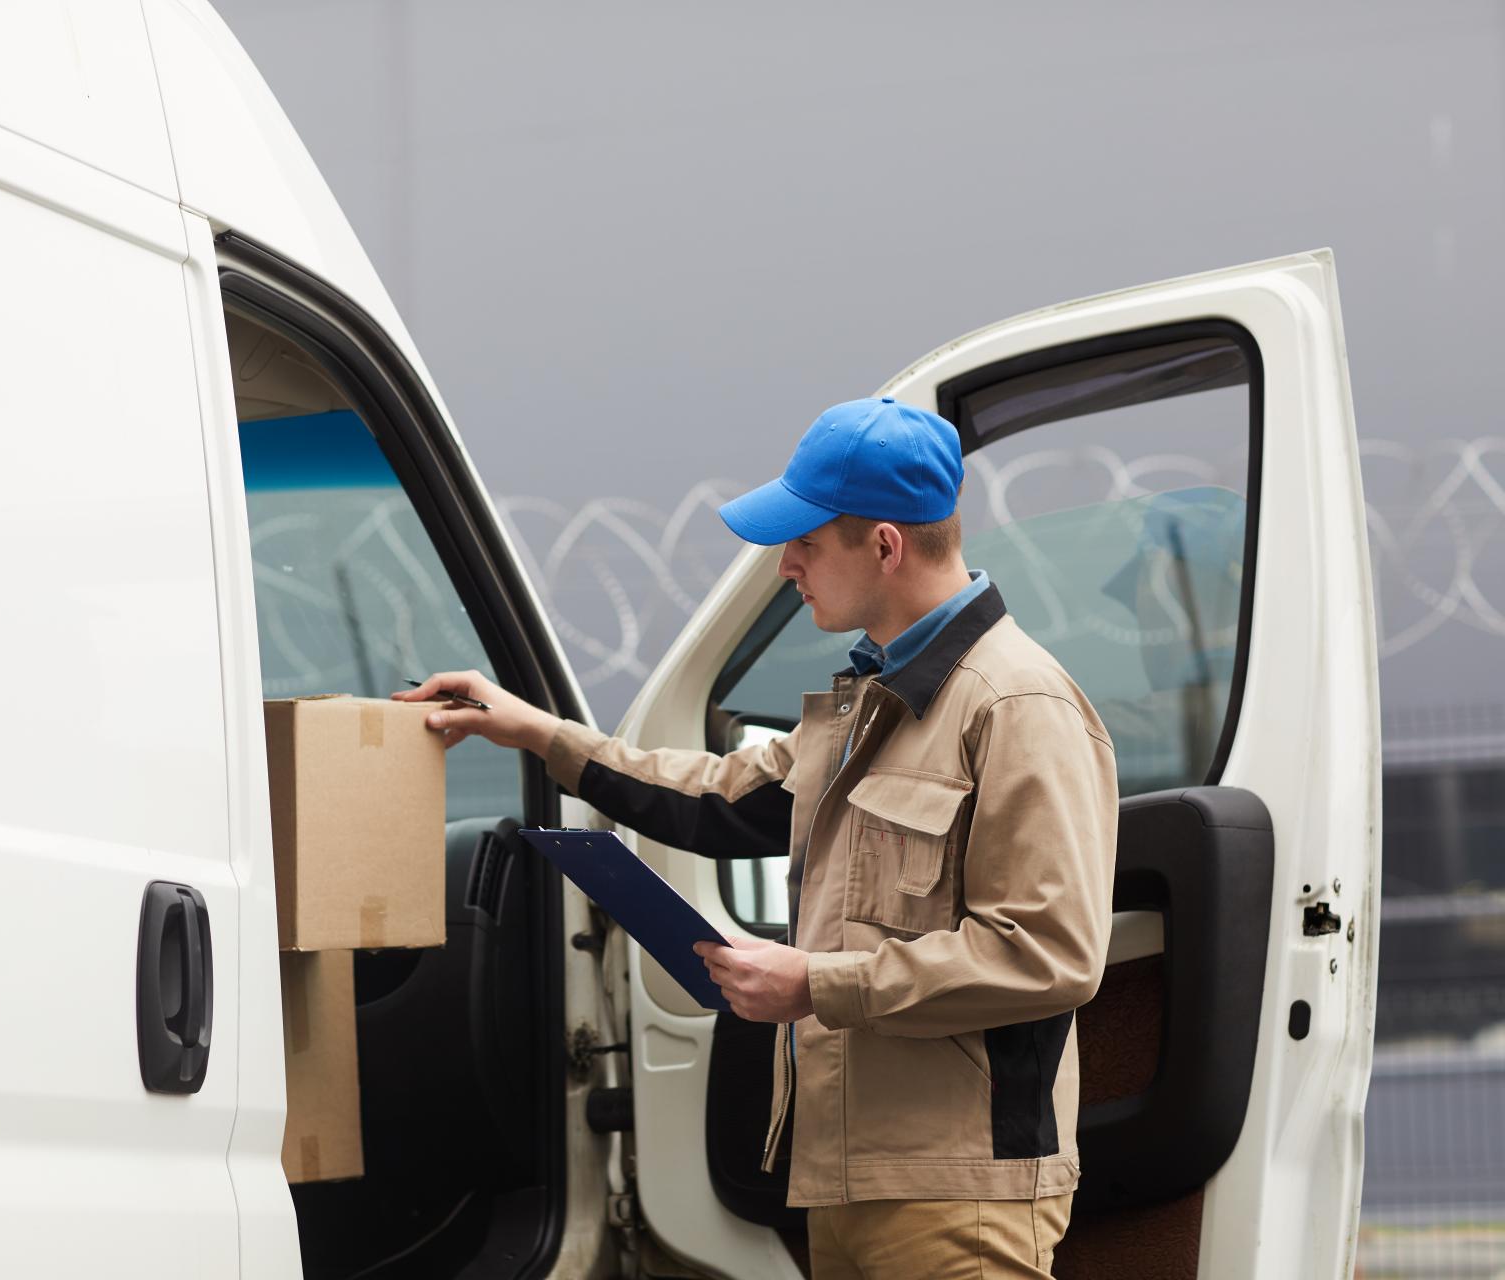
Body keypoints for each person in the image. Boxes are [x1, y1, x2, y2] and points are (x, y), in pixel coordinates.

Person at [396, 397, 1117, 1279]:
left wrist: (815, 982)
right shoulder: (873, 701)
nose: (786, 566)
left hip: (957, 1193)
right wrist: (540, 734)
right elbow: (719, 798)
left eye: (806, 543)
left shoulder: (1016, 705)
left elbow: (1049, 954)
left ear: (885, 545)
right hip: (852, 1177)